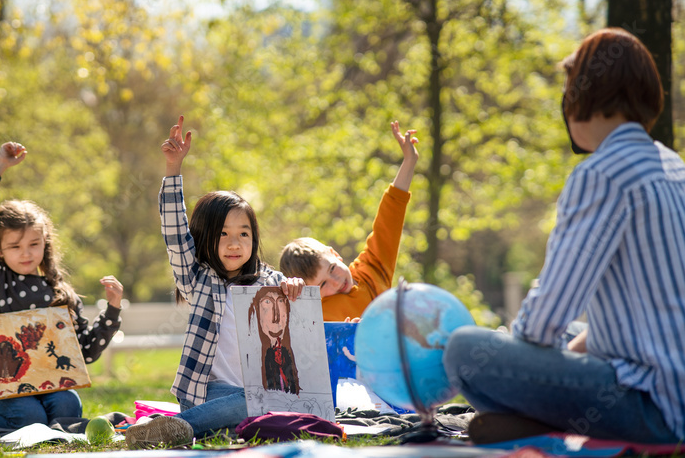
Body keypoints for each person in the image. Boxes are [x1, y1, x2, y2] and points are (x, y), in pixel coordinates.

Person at [443, 27, 685, 443]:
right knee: (576, 333)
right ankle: (537, 418)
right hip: (671, 380)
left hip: (653, 408)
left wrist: (522, 361)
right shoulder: (674, 167)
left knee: (465, 350)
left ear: (581, 96)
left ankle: (533, 420)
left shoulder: (601, 175)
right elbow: (651, 315)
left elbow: (542, 323)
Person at [125, 116, 305, 448]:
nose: (234, 243)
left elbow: (295, 297)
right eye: (223, 234)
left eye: (243, 234)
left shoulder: (269, 280)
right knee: (253, 402)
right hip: (209, 393)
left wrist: (293, 285)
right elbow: (175, 234)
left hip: (264, 390)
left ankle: (207, 429)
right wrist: (173, 169)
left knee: (273, 402)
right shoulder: (199, 279)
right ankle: (174, 427)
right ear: (206, 238)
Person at [0, 141, 123, 431]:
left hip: (52, 384)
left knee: (68, 406)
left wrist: (112, 309)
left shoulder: (60, 293)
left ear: (45, 242)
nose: (26, 253)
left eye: (34, 244)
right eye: (15, 246)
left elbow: (85, 351)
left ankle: (51, 432)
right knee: (28, 417)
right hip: (6, 388)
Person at [278, 121, 418, 321]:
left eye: (332, 269)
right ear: (307, 294)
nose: (335, 282)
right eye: (322, 285)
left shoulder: (370, 273)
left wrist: (409, 162)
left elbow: (389, 220)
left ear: (335, 254)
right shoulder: (310, 315)